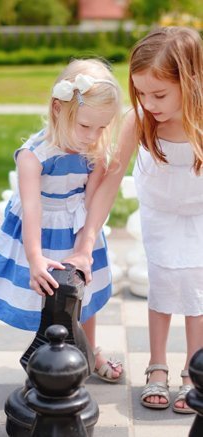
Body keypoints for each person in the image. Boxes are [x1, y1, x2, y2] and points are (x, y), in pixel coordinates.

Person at [67, 26, 203, 413]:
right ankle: (156, 366)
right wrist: (88, 237)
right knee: (161, 279)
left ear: (190, 82)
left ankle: (196, 370)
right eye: (141, 92)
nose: (148, 102)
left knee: (198, 286)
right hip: (160, 210)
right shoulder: (141, 120)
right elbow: (111, 179)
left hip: (199, 210)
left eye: (159, 94)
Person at [0, 58, 124, 383]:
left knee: (81, 298)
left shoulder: (95, 151)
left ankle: (89, 352)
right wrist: (35, 258)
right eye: (86, 126)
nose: (93, 136)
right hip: (39, 236)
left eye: (102, 127)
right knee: (45, 303)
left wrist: (83, 249)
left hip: (78, 230)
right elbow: (32, 209)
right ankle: (50, 358)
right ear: (59, 109)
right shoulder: (33, 156)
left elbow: (91, 205)